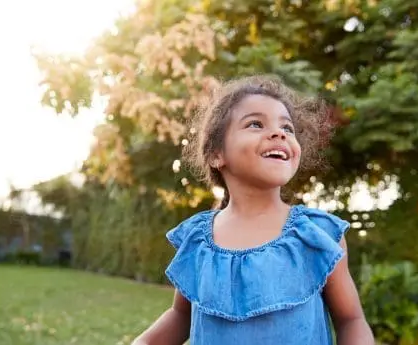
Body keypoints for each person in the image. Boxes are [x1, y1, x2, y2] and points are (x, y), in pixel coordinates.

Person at [132, 75, 374, 345]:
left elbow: (351, 319)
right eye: (256, 124)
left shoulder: (317, 236)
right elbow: (180, 316)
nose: (279, 133)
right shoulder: (199, 240)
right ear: (216, 155)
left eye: (288, 128)